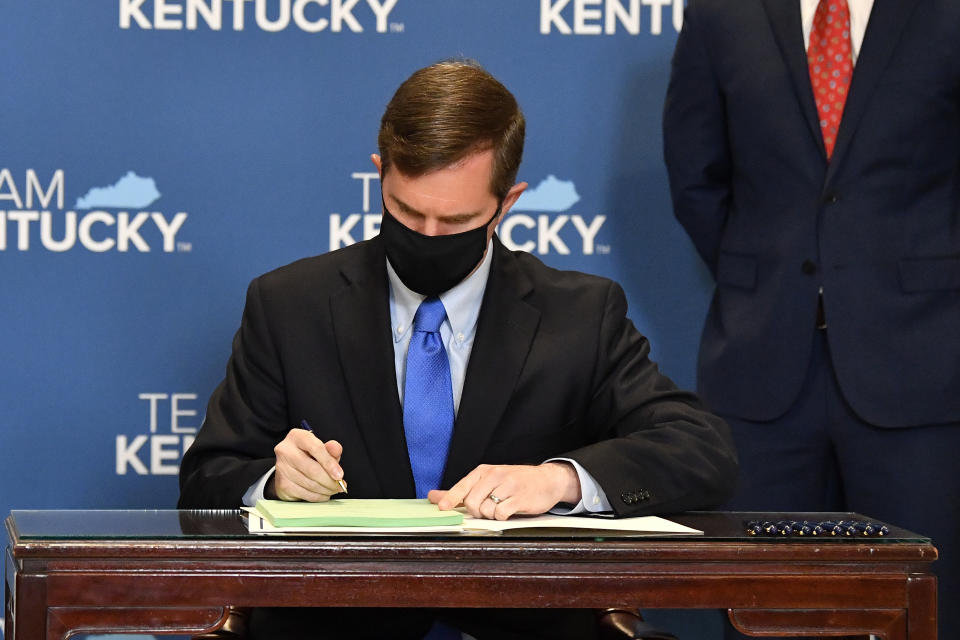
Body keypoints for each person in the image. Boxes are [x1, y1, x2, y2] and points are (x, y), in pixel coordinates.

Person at [180, 59, 737, 640]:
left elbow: (702, 451)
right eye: (406, 211)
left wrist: (559, 481)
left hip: (524, 627)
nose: (428, 236)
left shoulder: (581, 315)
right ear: (378, 175)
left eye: (457, 220)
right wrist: (274, 483)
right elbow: (206, 479)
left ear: (508, 202)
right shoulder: (289, 303)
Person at [663, 1, 960, 638]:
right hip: (761, 363)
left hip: (922, 363)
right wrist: (771, 280)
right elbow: (696, 177)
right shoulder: (722, 13)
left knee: (925, 606)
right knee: (767, 609)